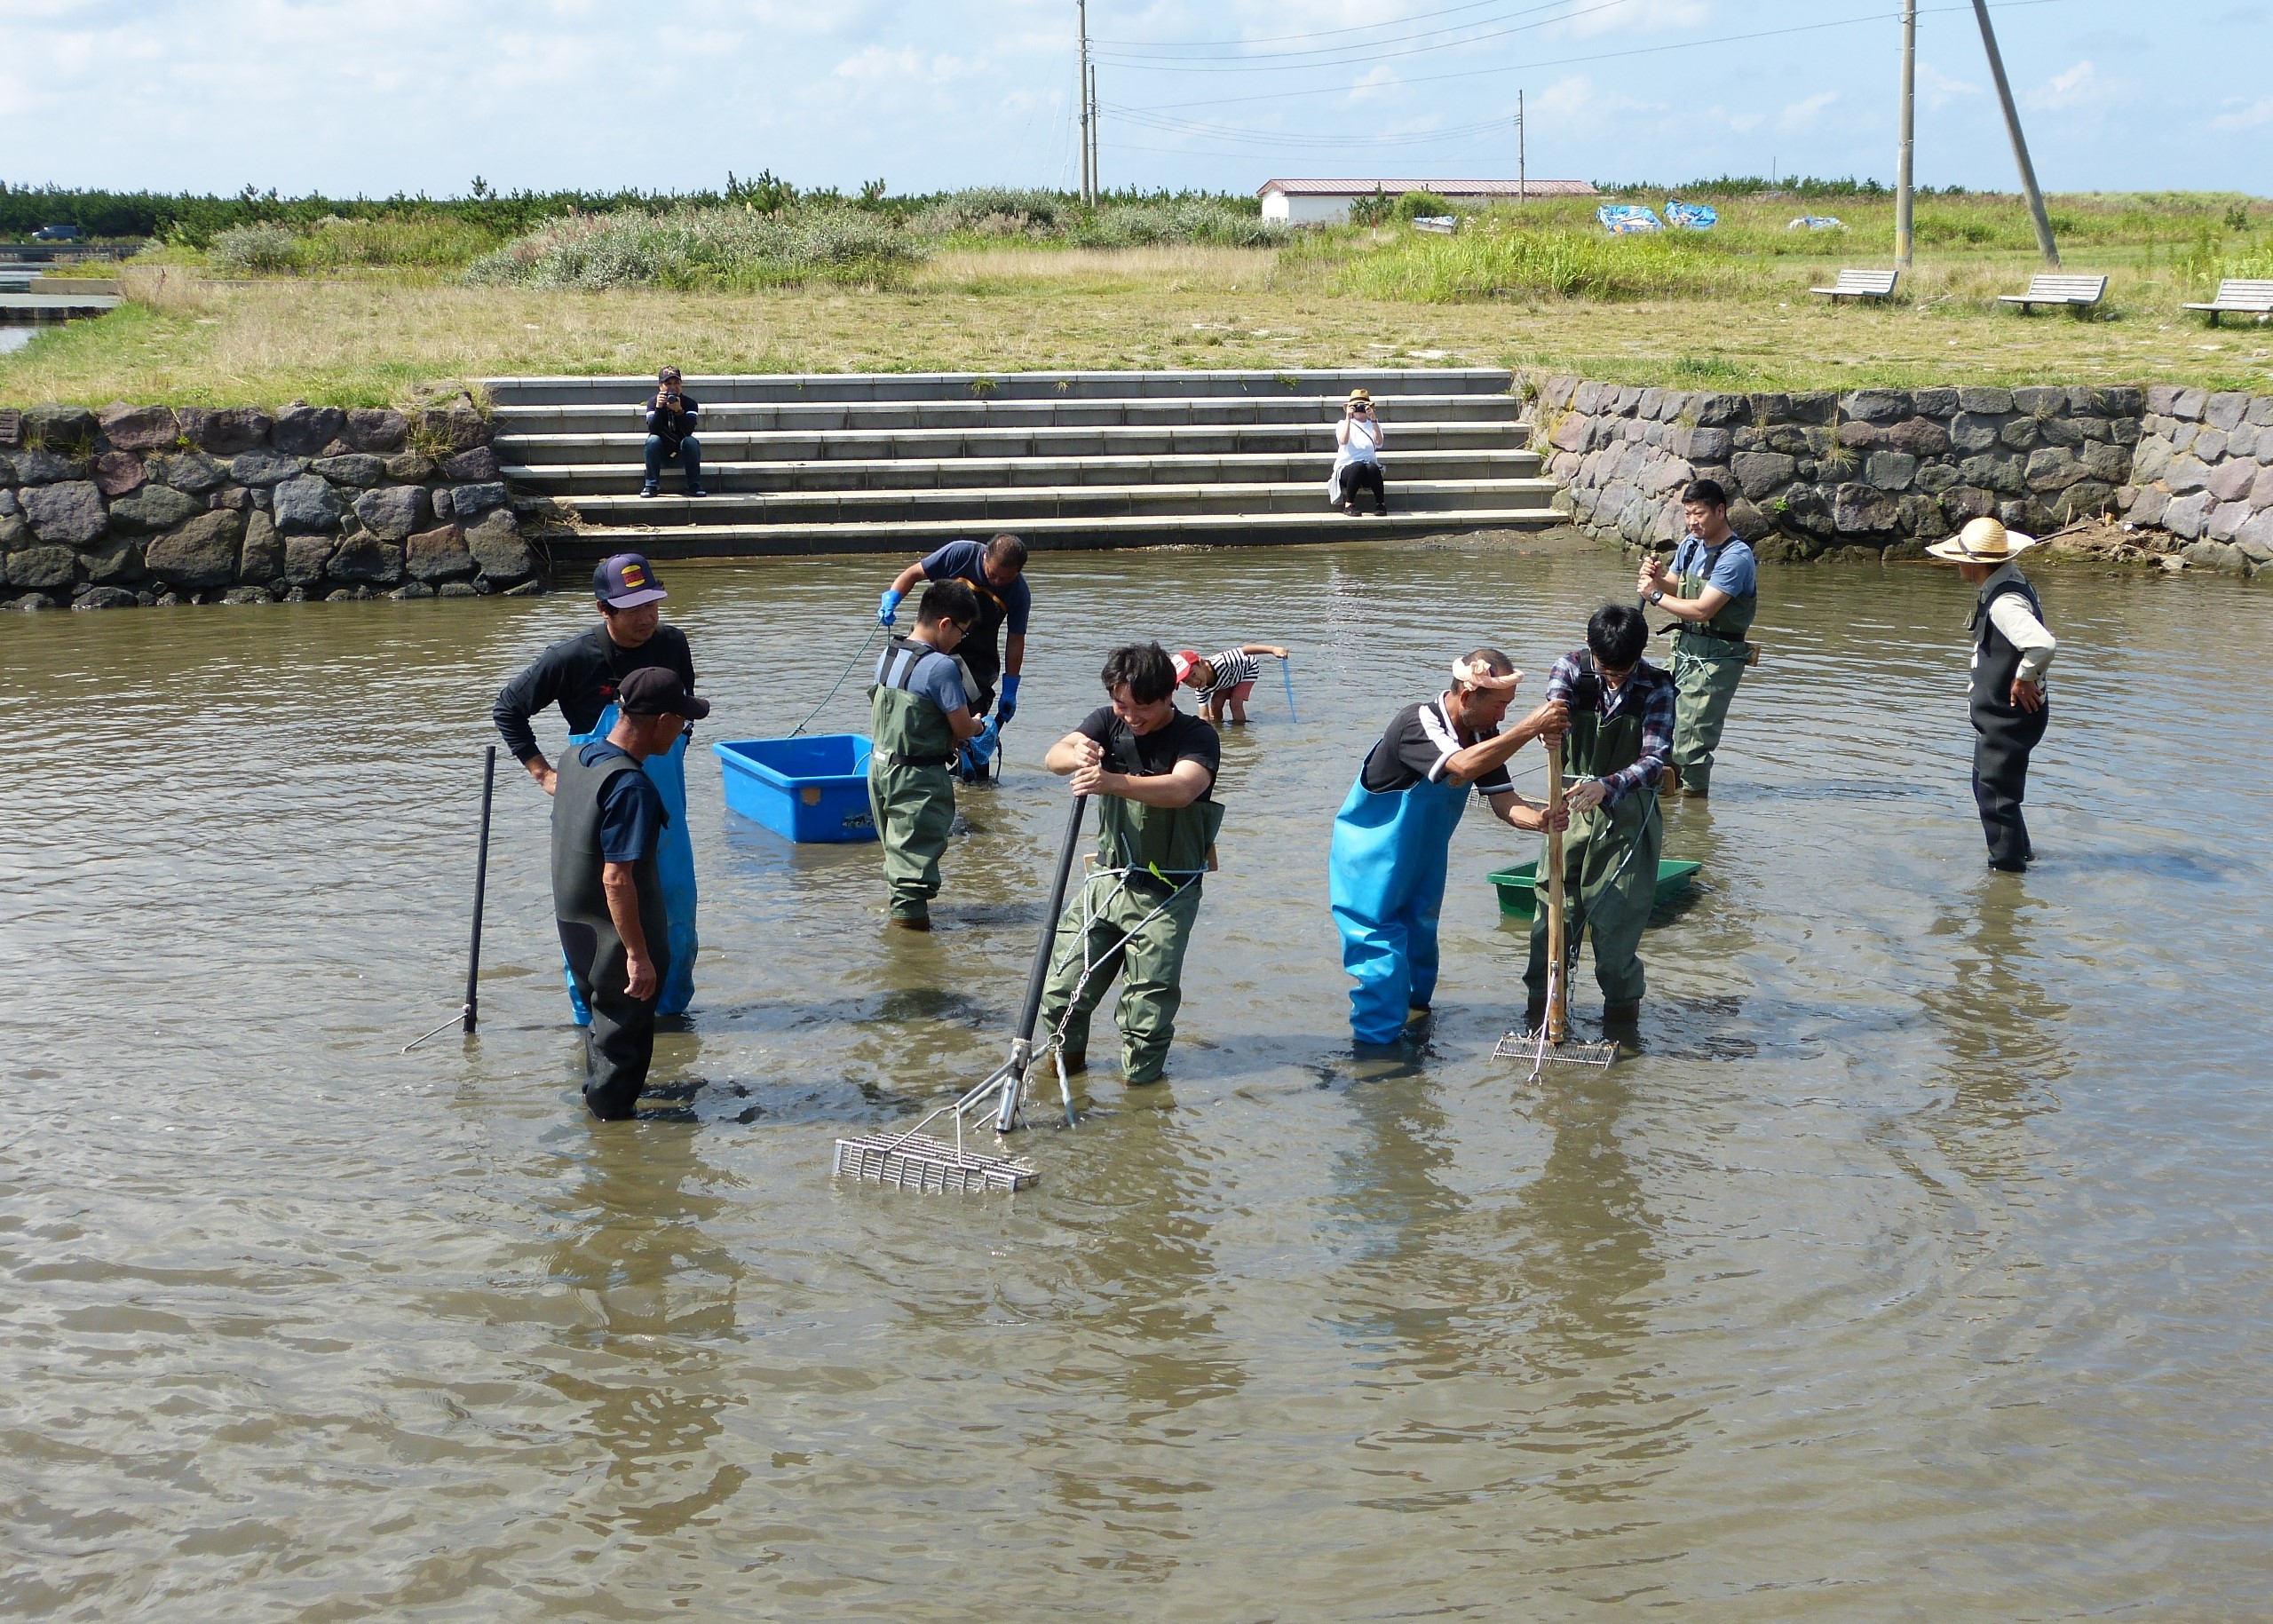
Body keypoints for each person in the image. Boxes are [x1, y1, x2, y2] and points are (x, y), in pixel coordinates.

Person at [494, 553, 701, 1018]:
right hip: (598, 796)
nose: (648, 617)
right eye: (634, 608)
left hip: (663, 797)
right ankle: (592, 1021)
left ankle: (670, 1019)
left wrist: (678, 741)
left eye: (653, 604)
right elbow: (508, 708)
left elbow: (683, 708)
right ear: (603, 610)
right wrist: (543, 773)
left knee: (675, 911)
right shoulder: (570, 658)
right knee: (596, 911)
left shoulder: (673, 644)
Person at [1330, 651, 1568, 1048]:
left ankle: (1415, 1037)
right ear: (1468, 694)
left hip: (1421, 864)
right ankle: (1376, 1060)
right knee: (1382, 967)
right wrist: (1529, 728)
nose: (1503, 716)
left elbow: (1504, 801)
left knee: (1421, 965)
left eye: (1509, 708)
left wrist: (1539, 820)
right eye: (1499, 706)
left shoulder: (1483, 735)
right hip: (1368, 868)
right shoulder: (1417, 722)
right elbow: (1461, 767)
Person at [1036, 643, 1224, 1086]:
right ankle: (1066, 1074)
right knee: (1060, 994)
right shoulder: (1107, 722)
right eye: (1122, 705)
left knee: (1145, 1016)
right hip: (1107, 880)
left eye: (1142, 708)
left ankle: (1142, 1103)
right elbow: (1053, 757)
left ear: (1168, 697)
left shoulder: (1197, 736)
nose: (1131, 716)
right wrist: (1078, 754)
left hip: (1168, 891)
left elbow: (1183, 788)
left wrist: (1111, 781)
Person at [551, 667, 711, 1121]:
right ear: (661, 720)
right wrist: (638, 957)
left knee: (602, 1028)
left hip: (576, 928)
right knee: (625, 1039)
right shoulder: (631, 788)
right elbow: (616, 879)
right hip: (615, 938)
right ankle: (614, 1142)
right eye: (683, 722)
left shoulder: (575, 760)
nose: (682, 732)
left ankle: (595, 1099)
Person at [1521, 604, 1676, 1042]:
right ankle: (1543, 1019)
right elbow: (1555, 713)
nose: (1614, 679)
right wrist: (1550, 730)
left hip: (1628, 818)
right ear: (1591, 651)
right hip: (1566, 809)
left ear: (1641, 655)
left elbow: (1654, 759)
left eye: (1623, 670)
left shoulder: (1658, 686)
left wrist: (1608, 787)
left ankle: (1623, 1037)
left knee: (1616, 931)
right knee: (1551, 919)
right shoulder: (1570, 669)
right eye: (1607, 669)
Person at [1927, 516, 2055, 873]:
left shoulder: (2004, 603)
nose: (1956, 563)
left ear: (1976, 564)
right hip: (2001, 719)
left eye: (1960, 559)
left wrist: (2025, 677)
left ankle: (2006, 876)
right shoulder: (2009, 583)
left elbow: (2042, 644)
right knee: (1992, 791)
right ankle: (2022, 853)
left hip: (2008, 718)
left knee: (1996, 798)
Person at [867, 580, 986, 930]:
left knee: (898, 856)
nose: (959, 642)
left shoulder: (889, 652)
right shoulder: (941, 667)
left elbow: (898, 716)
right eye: (961, 633)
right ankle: (911, 948)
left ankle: (901, 926)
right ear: (945, 623)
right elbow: (963, 728)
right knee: (913, 872)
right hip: (916, 779)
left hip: (880, 769)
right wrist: (980, 727)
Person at [1637, 478, 1756, 796]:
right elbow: (1676, 586)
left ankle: (1695, 815)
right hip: (1683, 651)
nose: (1692, 522)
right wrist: (1658, 579)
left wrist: (1654, 597)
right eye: (1688, 514)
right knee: (1663, 725)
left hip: (1717, 660)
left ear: (1721, 511)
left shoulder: (1736, 557)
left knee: (1693, 741)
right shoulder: (1690, 546)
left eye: (1699, 514)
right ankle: (1666, 805)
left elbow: (1704, 610)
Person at [879, 535, 1031, 771]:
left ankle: (974, 788)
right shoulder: (960, 554)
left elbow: (1015, 640)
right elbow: (913, 574)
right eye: (993, 574)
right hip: (932, 646)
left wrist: (1010, 688)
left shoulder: (1019, 592)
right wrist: (892, 599)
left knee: (972, 737)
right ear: (984, 556)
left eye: (1006, 578)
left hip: (977, 663)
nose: (998, 581)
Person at [1172, 643, 1290, 725]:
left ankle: (1240, 731)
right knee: (1216, 704)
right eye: (1187, 681)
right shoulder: (1200, 688)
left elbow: (1246, 650)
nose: (1194, 682)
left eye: (1193, 674)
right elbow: (1204, 717)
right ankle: (1219, 727)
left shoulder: (1223, 661)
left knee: (1235, 704)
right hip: (1228, 679)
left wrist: (1273, 649)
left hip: (1247, 669)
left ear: (1202, 663)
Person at [641, 366, 706, 498]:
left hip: (682, 452)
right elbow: (653, 430)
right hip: (661, 452)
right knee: (652, 440)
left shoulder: (690, 404)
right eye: (668, 383)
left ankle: (694, 485)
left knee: (691, 442)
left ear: (681, 385)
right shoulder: (653, 403)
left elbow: (688, 431)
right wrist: (659, 408)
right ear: (660, 386)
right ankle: (651, 485)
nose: (672, 387)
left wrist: (679, 411)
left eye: (676, 383)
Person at [1328, 388, 1389, 516]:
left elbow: (1379, 443)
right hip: (1347, 470)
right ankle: (1349, 504)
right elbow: (1343, 441)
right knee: (1358, 466)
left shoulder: (1374, 424)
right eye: (1356, 407)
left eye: (1363, 407)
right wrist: (1348, 419)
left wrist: (1373, 419)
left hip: (1368, 470)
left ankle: (1380, 504)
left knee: (1373, 467)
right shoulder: (1342, 424)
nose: (1360, 410)